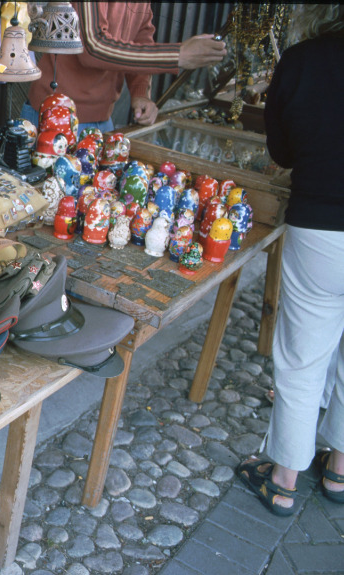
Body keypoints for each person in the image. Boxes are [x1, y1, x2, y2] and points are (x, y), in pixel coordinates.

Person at [235, 4, 344, 516]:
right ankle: (339, 470)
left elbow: (282, 151)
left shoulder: (304, 59)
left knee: (303, 357)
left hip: (322, 225)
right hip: (322, 222)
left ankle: (283, 482)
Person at [22, 2, 227, 133]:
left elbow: (142, 38)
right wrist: (177, 55)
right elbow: (93, 47)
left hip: (102, 120)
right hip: (56, 116)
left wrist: (141, 93)